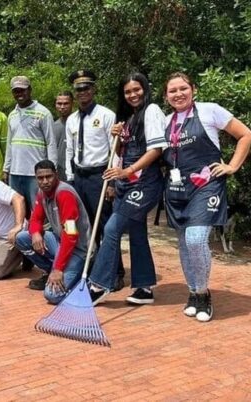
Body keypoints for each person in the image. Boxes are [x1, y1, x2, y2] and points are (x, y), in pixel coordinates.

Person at [162, 72, 251, 322]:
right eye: (173, 90)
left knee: (195, 239)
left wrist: (232, 166)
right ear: (166, 96)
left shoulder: (210, 110)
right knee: (183, 243)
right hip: (177, 189)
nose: (179, 94)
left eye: (183, 88)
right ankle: (192, 291)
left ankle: (203, 293)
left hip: (207, 186)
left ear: (194, 89)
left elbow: (245, 135)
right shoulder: (165, 121)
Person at [87, 73, 168, 306]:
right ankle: (144, 288)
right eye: (127, 92)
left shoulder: (151, 111)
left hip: (145, 183)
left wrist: (127, 171)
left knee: (112, 229)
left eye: (137, 89)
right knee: (137, 233)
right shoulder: (129, 118)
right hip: (127, 184)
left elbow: (156, 151)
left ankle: (98, 285)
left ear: (145, 89)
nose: (133, 95)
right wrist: (117, 139)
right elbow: (121, 152)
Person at [64, 70, 125, 290]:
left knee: (107, 225)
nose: (83, 92)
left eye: (86, 88)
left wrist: (112, 182)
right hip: (79, 177)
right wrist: (70, 180)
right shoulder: (71, 119)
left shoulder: (106, 115)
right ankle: (94, 267)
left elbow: (115, 151)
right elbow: (70, 150)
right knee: (86, 226)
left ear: (94, 89)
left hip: (100, 175)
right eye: (79, 89)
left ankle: (116, 272)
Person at [15, 160, 90, 301]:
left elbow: (71, 234)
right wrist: (36, 232)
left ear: (56, 175)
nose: (45, 181)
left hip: (78, 249)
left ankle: (75, 276)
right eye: (40, 178)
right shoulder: (42, 193)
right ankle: (52, 271)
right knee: (22, 238)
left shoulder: (64, 194)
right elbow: (35, 219)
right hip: (59, 240)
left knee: (52, 295)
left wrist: (58, 268)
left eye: (48, 176)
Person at [4, 75, 57, 215]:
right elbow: (10, 144)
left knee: (39, 211)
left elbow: (51, 143)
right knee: (18, 212)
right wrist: (6, 169)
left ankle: (42, 237)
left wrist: (52, 170)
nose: (20, 94)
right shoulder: (12, 115)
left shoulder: (43, 113)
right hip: (15, 173)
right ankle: (21, 237)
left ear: (30, 90)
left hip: (36, 174)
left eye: (23, 90)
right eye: (16, 91)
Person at [53, 91, 74, 180]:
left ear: (72, 104)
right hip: (58, 172)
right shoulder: (53, 126)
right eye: (59, 104)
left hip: (76, 172)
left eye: (66, 104)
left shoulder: (77, 123)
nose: (62, 107)